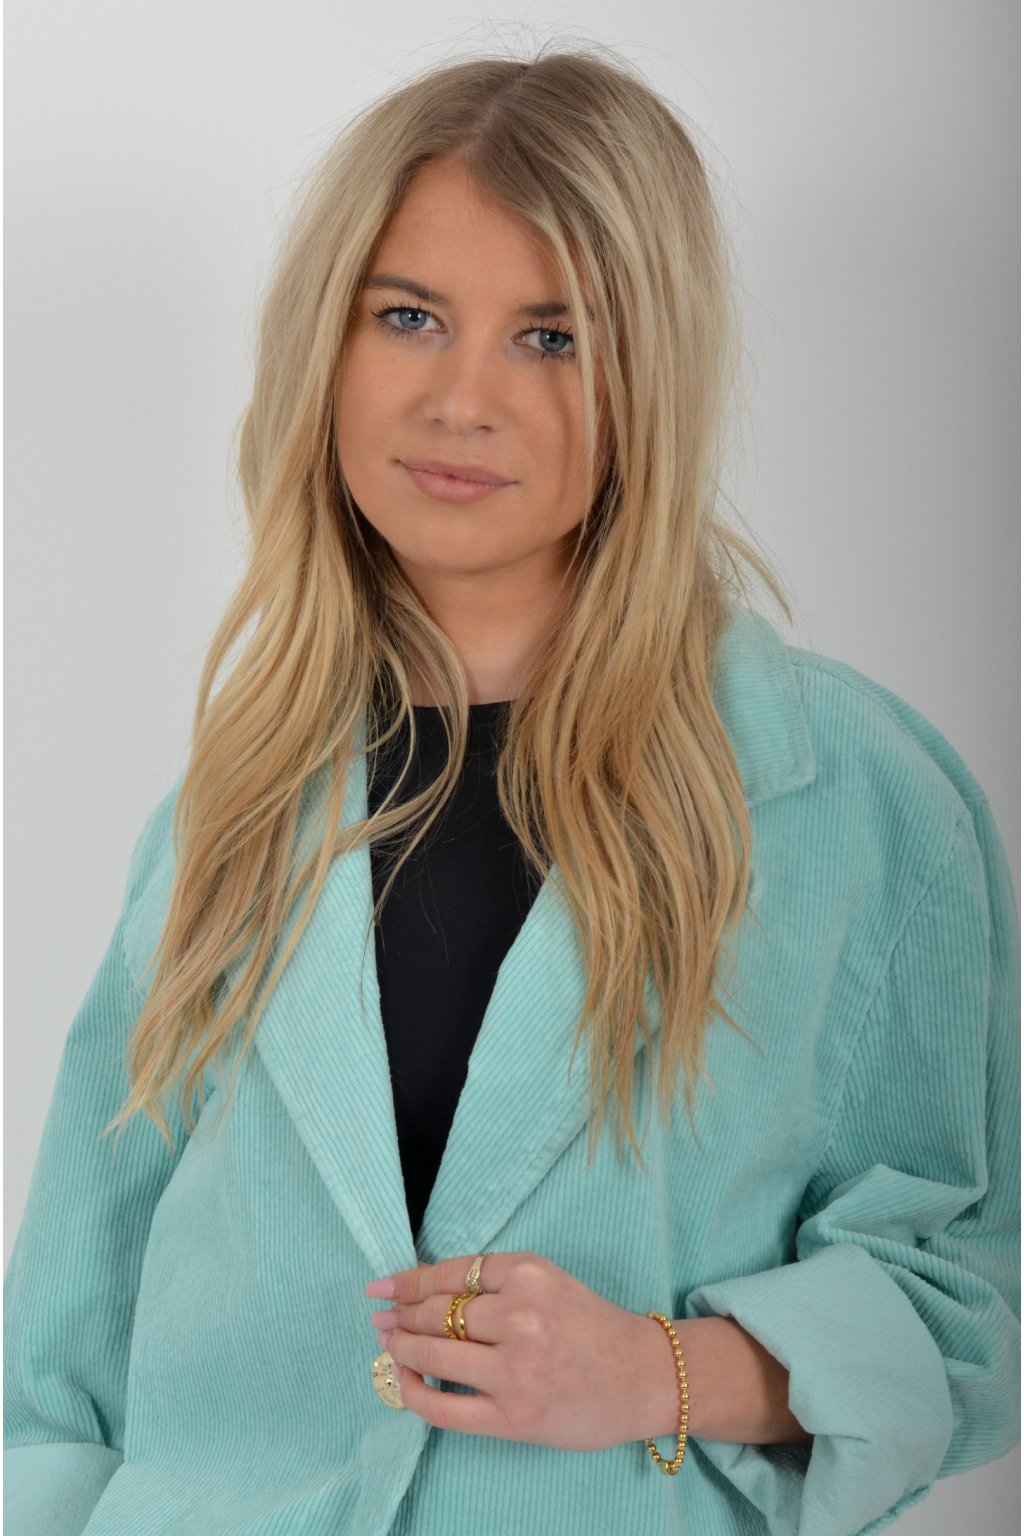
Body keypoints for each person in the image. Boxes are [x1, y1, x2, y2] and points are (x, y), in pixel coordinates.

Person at [4, 42, 1019, 1536]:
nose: (461, 399)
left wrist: (658, 1372)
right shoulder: (231, 810)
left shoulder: (854, 800)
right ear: (328, 343)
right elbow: (62, 1358)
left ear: (648, 378)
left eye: (552, 337)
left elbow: (968, 1306)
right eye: (409, 316)